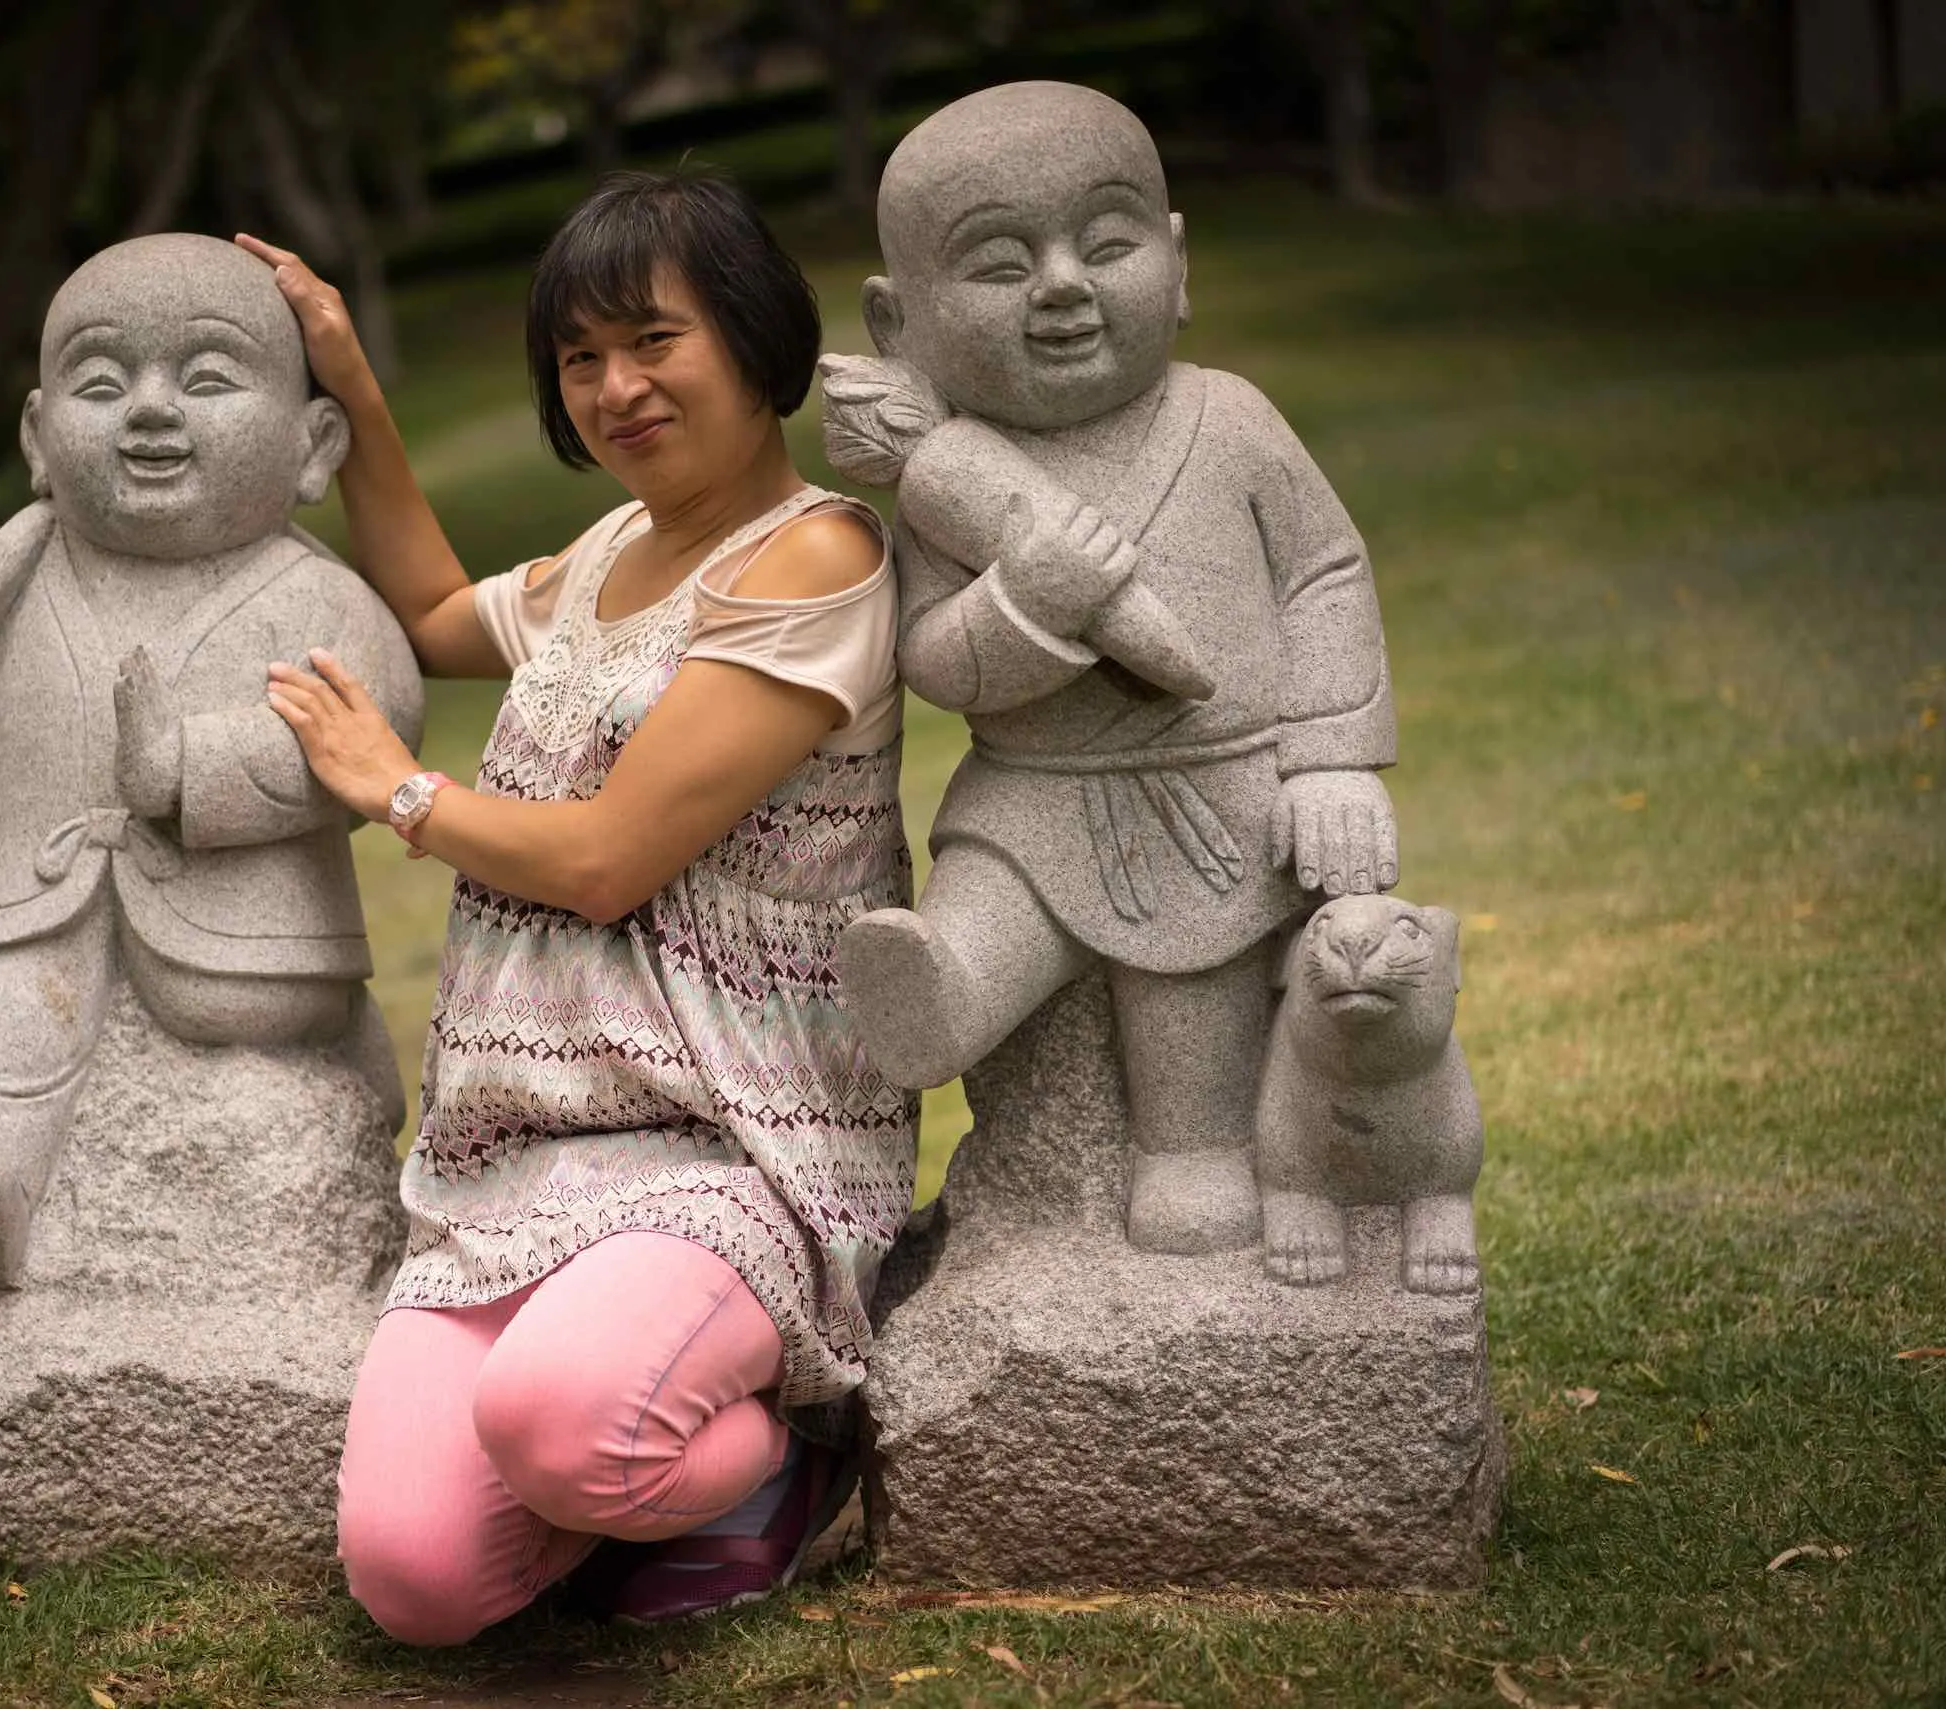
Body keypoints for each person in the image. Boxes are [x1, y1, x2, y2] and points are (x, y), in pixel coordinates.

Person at [235, 171, 918, 1640]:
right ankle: (627, 1480)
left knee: (559, 1421)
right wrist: (346, 374)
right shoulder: (608, 556)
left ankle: (793, 1461)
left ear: (751, 337)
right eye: (579, 357)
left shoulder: (816, 556)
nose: (617, 388)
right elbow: (426, 610)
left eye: (654, 341)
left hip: (731, 1144)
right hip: (521, 1156)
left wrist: (398, 790)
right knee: (415, 1582)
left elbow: (611, 857)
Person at [831, 83, 1398, 1255]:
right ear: (899, 327)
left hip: (1216, 782)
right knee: (992, 891)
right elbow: (936, 658)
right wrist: (1026, 602)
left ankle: (1193, 1150)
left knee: (1187, 963)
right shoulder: (948, 482)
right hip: (1032, 791)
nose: (1059, 285)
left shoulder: (1230, 421)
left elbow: (1324, 576)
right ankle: (941, 993)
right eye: (997, 265)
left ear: (1177, 262)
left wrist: (1335, 759)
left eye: (1104, 243)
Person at [0, 234, 419, 1291]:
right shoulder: (17, 581)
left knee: (270, 1027)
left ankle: (338, 1060)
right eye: (101, 383)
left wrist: (191, 764)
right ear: (37, 435)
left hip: (247, 943)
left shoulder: (314, 597)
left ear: (313, 443)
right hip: (37, 901)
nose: (150, 410)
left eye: (204, 379)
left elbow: (375, 729)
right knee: (7, 1003)